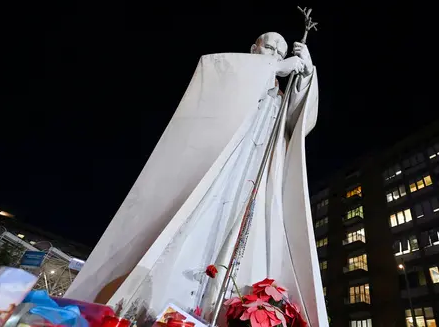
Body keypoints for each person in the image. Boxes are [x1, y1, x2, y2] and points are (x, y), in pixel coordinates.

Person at [66, 32, 328, 327]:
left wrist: (305, 76)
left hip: (255, 181)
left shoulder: (278, 98)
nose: (276, 57)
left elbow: (298, 122)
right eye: (269, 48)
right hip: (221, 171)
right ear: (253, 49)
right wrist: (271, 71)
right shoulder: (233, 72)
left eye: (281, 55)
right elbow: (221, 90)